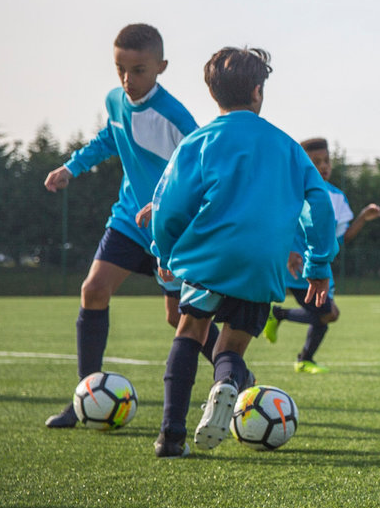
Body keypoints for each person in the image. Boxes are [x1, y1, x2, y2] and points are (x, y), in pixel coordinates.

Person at [147, 48, 337, 458]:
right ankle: (228, 383)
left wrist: (164, 252)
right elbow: (318, 204)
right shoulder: (287, 147)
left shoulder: (199, 142)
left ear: (213, 93)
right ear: (257, 91)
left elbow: (169, 206)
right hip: (261, 265)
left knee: (190, 331)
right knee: (230, 349)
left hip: (208, 259)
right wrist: (319, 265)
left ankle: (171, 436)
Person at [40, 23, 199, 428]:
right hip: (129, 220)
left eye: (139, 70)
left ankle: (234, 378)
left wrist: (172, 223)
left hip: (170, 232)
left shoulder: (176, 118)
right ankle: (84, 399)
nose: (128, 80)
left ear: (161, 66)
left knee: (177, 317)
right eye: (120, 69)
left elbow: (202, 174)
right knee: (93, 291)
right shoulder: (116, 101)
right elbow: (110, 139)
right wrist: (72, 167)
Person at [263, 137, 380, 373]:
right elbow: (274, 225)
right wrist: (288, 253)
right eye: (316, 162)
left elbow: (342, 238)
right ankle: (284, 324)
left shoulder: (337, 196)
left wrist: (362, 218)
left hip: (321, 270)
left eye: (326, 160)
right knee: (329, 313)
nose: (323, 166)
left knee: (325, 314)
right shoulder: (292, 192)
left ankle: (304, 356)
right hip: (298, 271)